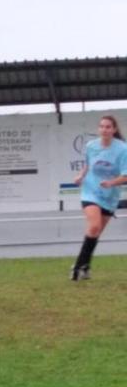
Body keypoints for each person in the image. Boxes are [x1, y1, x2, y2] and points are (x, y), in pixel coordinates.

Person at [71, 115, 127, 281]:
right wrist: (80, 176)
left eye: (108, 127)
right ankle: (77, 267)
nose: (104, 129)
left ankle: (86, 265)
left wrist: (111, 183)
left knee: (95, 233)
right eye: (102, 126)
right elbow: (87, 165)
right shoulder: (91, 146)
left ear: (114, 129)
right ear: (98, 129)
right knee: (94, 226)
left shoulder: (122, 149)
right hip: (91, 192)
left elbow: (125, 176)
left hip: (109, 196)